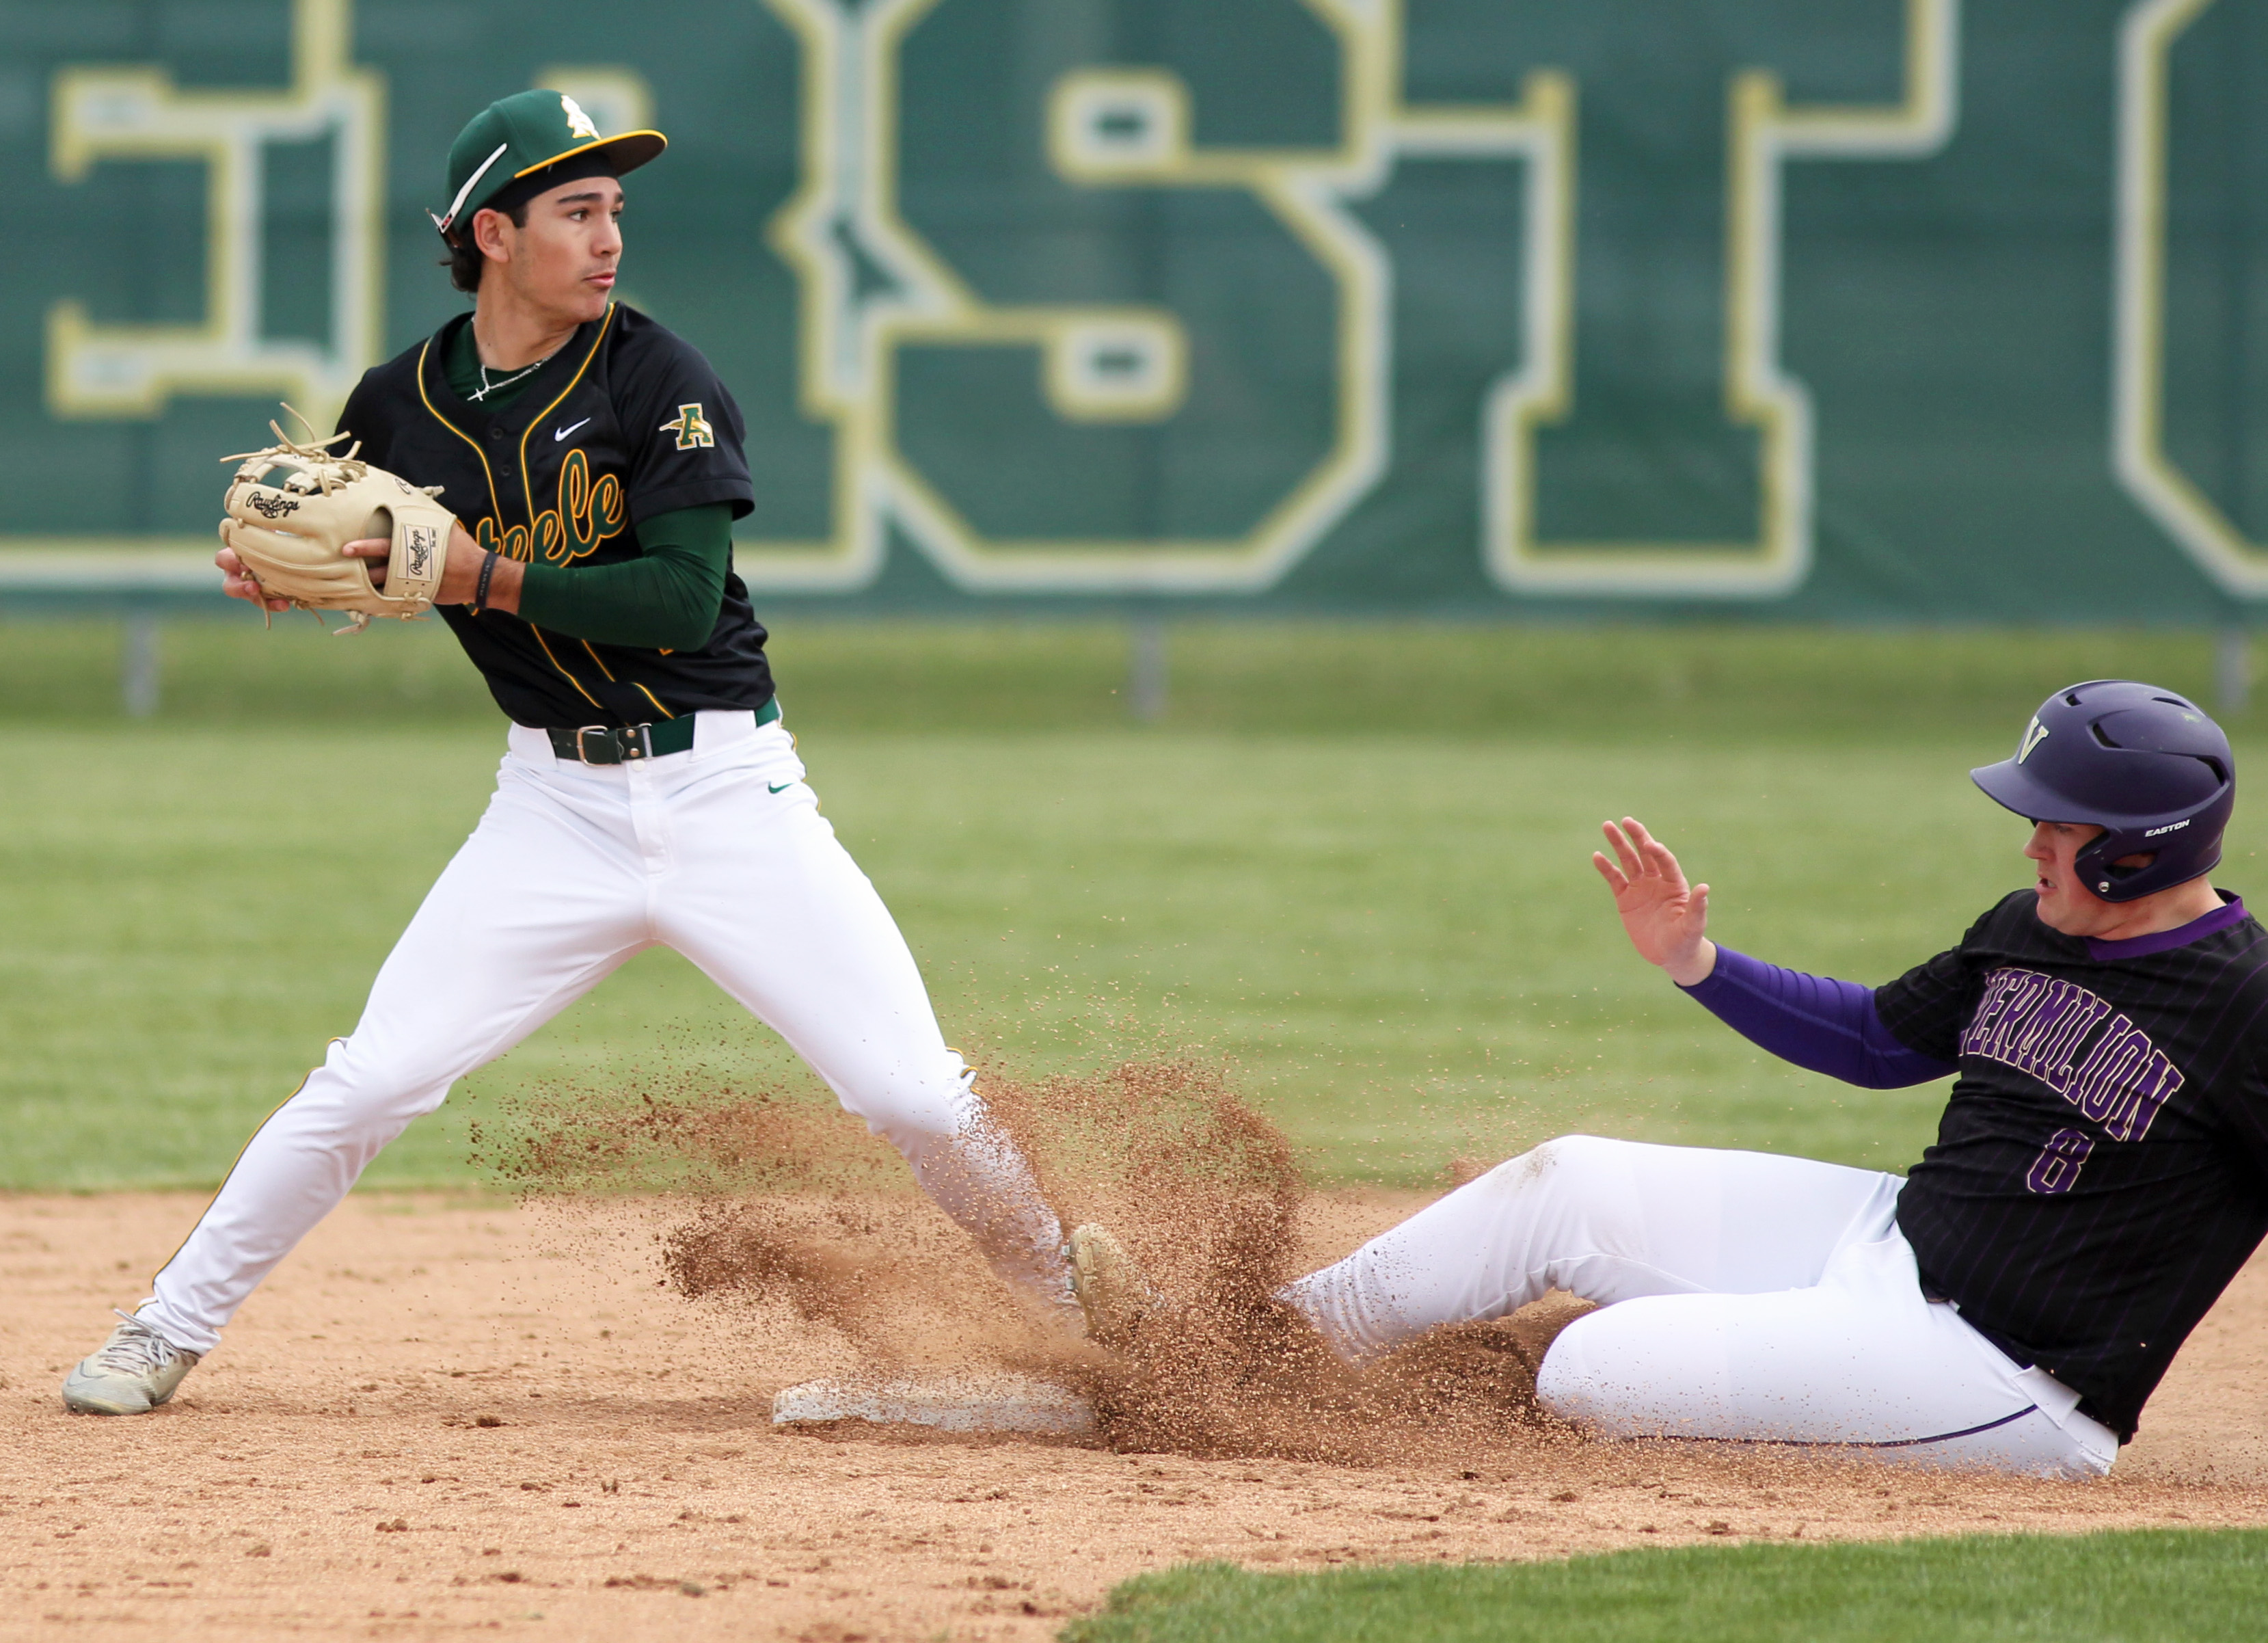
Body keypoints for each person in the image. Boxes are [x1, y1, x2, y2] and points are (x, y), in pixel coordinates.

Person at [64, 90, 1072, 1416]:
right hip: (550, 809)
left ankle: (1093, 1315)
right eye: (576, 211)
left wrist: (481, 573)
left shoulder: (662, 381)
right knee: (373, 1075)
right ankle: (163, 1327)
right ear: (495, 231)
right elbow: (351, 538)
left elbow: (678, 602)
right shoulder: (399, 403)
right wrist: (290, 577)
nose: (609, 239)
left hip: (726, 791)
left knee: (912, 1091)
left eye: (615, 212)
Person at [1071, 680, 2263, 1476]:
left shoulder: (2244, 1007)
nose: (2027, 841)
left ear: (2135, 849)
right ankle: (1233, 1361)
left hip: (2006, 1379)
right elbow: (1872, 1043)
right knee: (1565, 1183)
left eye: (2054, 826)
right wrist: (1692, 961)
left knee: (1593, 1367)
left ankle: (1441, 1384)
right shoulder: (2031, 926)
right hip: (1888, 1238)